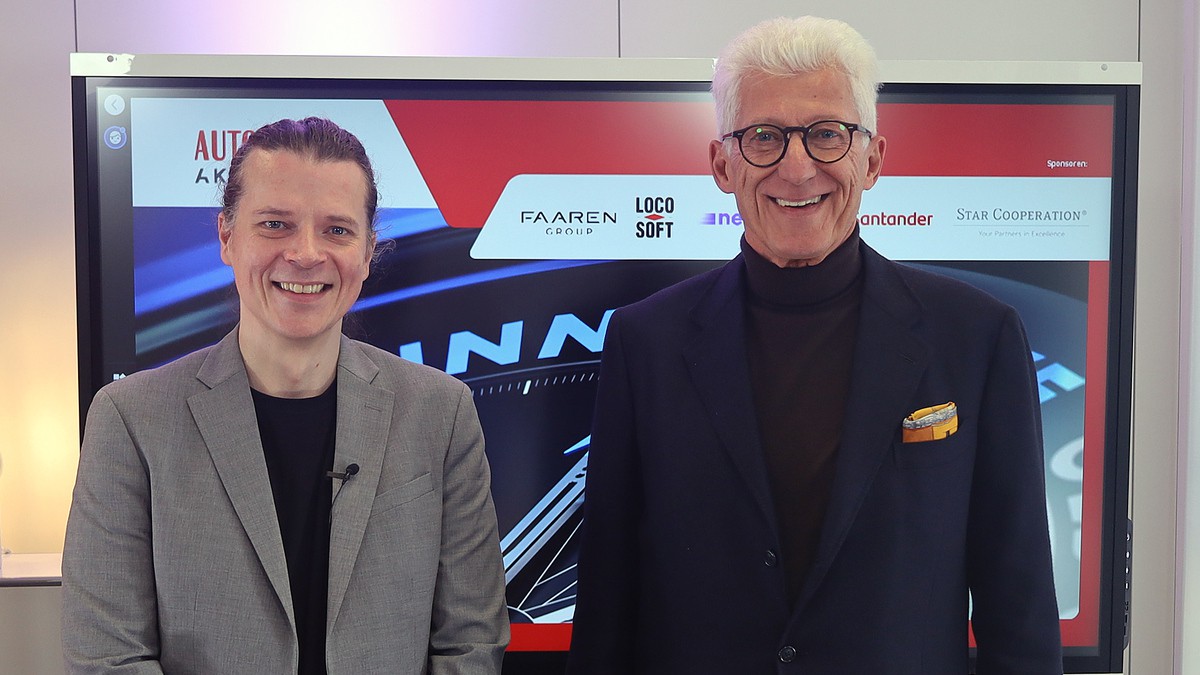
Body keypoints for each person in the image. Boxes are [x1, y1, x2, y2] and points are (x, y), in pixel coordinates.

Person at [568, 16, 1062, 674]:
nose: (797, 168)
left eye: (827, 134)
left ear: (872, 159)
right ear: (722, 164)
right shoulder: (644, 342)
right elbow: (607, 602)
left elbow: (1018, 607)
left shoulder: (977, 335)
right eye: (764, 136)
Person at [62, 117, 509, 674]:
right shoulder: (131, 420)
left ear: (368, 252)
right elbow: (108, 656)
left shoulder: (442, 414)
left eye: (337, 230)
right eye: (275, 224)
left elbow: (471, 645)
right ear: (227, 237)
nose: (305, 253)